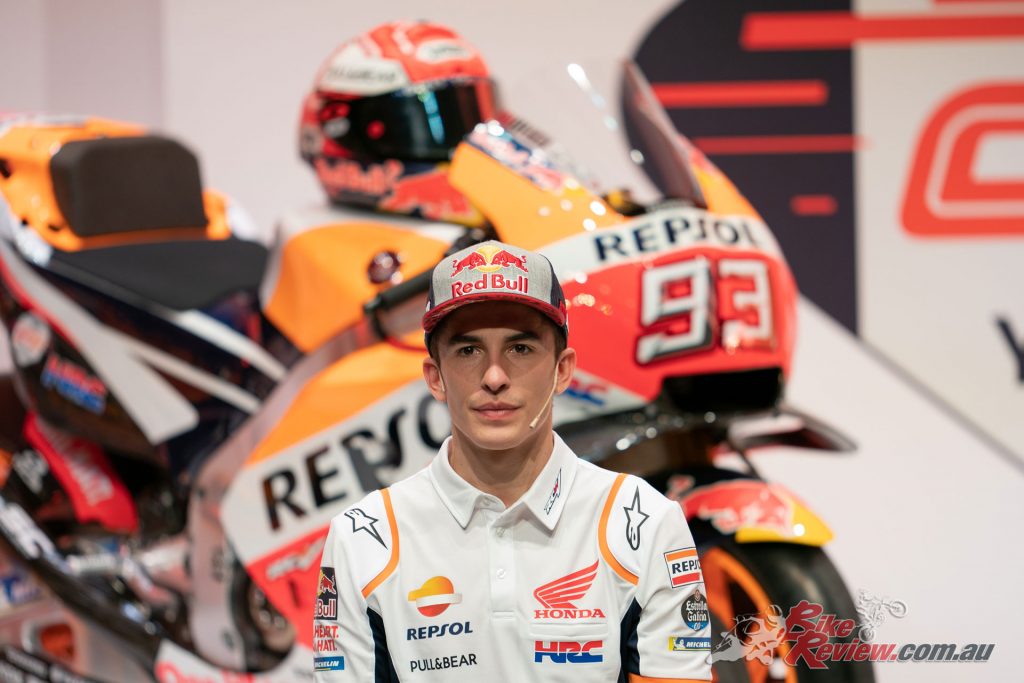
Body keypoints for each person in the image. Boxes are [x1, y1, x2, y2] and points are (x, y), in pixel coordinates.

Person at [314, 240, 712, 681]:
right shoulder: (363, 538)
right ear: (435, 377)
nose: (494, 377)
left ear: (563, 370)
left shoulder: (646, 522)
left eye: (520, 349)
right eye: (468, 351)